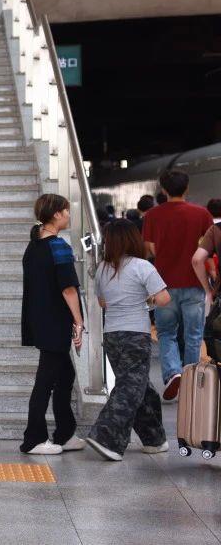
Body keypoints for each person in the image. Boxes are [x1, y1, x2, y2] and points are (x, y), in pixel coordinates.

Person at [85, 219, 171, 461]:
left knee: (141, 387)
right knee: (130, 388)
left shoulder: (102, 269)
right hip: (135, 334)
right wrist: (146, 300)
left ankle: (154, 440)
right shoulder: (142, 266)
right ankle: (106, 437)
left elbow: (103, 302)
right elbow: (164, 299)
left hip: (112, 335)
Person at [19, 194, 86, 456]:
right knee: (45, 380)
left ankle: (65, 433)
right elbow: (68, 289)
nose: (68, 215)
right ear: (56, 214)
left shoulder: (33, 245)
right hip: (55, 321)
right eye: (66, 211)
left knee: (65, 375)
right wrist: (78, 321)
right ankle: (34, 439)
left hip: (40, 318)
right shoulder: (58, 246)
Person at [142, 169, 213, 400]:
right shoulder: (201, 214)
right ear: (187, 188)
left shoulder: (153, 215)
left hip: (163, 285)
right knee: (194, 335)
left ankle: (173, 373)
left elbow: (149, 248)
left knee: (165, 333)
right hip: (194, 283)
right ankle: (190, 382)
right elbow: (207, 249)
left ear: (163, 190)